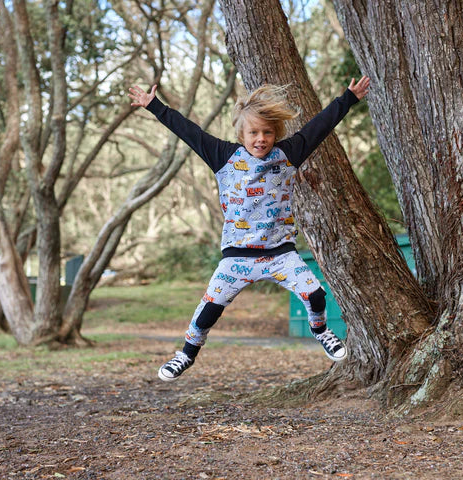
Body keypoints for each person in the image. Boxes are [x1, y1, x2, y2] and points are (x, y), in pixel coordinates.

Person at [128, 75, 370, 381]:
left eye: (268, 133)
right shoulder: (224, 156)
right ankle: (186, 354)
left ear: (276, 134)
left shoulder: (288, 153)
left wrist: (347, 99)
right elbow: (189, 132)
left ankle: (320, 330)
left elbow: (319, 127)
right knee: (208, 310)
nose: (261, 139)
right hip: (236, 258)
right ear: (242, 134)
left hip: (280, 253)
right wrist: (155, 106)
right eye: (253, 132)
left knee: (316, 294)